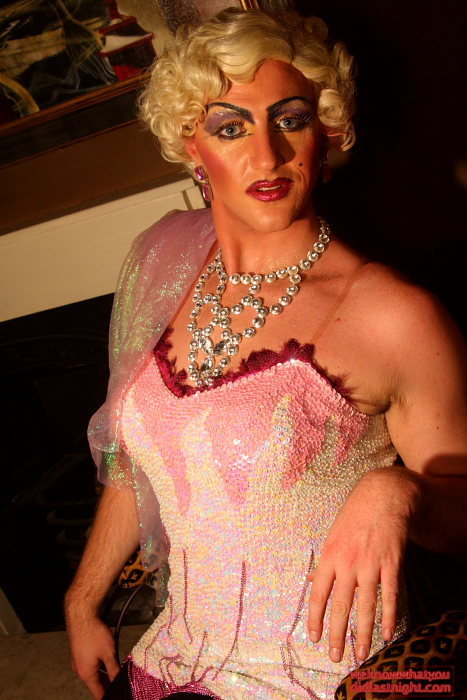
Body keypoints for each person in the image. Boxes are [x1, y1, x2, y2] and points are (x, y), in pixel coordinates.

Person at [65, 7, 467, 700]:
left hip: (324, 680)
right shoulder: (163, 265)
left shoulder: (396, 315)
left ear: (326, 132)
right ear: (192, 147)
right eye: (231, 128)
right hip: (170, 662)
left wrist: (395, 491)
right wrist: (81, 600)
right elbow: (134, 460)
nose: (268, 154)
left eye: (291, 120)